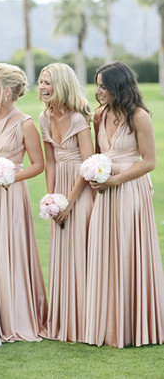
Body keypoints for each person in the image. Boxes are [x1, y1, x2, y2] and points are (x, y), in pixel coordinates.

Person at [85, 61, 164, 347]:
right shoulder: (100, 115)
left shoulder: (139, 117)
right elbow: (98, 153)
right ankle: (108, 326)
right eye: (97, 85)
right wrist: (96, 174)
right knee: (104, 251)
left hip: (130, 190)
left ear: (118, 86)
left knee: (128, 250)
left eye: (103, 86)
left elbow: (149, 161)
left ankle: (133, 326)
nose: (98, 91)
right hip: (105, 192)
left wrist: (116, 180)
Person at [0, 62, 47, 342]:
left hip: (10, 193)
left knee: (10, 249)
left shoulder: (25, 123)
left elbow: (38, 165)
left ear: (6, 91)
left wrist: (11, 177)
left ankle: (13, 315)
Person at [38, 63, 95, 342]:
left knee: (80, 250)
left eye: (47, 82)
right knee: (61, 251)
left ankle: (85, 322)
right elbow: (49, 161)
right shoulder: (43, 117)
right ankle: (63, 320)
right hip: (60, 187)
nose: (42, 87)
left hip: (80, 189)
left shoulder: (78, 119)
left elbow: (89, 164)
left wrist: (70, 202)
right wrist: (52, 199)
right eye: (41, 81)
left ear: (61, 85)